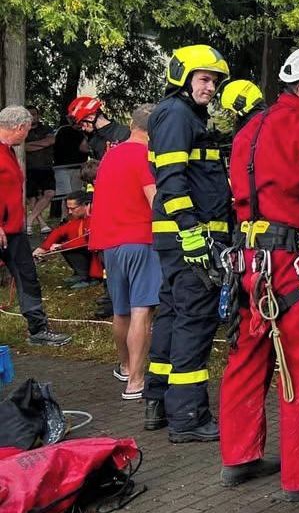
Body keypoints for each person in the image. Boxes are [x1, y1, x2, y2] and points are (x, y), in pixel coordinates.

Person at [220, 46, 299, 501]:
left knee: (248, 358)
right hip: (292, 264)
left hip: (249, 259)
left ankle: (239, 456)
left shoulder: (251, 129)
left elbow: (283, 180)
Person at [144, 44, 232, 443]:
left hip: (176, 238)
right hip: (190, 237)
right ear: (182, 76)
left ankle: (158, 401)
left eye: (214, 81)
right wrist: (191, 230)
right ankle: (189, 417)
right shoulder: (178, 115)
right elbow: (172, 179)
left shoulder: (180, 115)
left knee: (172, 314)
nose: (210, 87)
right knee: (194, 321)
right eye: (203, 78)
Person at [89, 105, 159, 400]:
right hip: (141, 239)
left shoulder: (110, 155)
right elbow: (154, 199)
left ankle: (125, 365)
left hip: (110, 243)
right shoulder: (145, 156)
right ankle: (136, 380)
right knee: (142, 308)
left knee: (121, 310)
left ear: (131, 124)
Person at [0, 106, 72, 346]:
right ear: (19, 128)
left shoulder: (7, 150)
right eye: (28, 130)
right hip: (2, 228)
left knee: (28, 277)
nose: (28, 135)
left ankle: (38, 329)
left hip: (13, 230)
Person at [32, 192, 101, 289]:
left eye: (73, 208)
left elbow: (87, 241)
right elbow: (60, 231)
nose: (69, 212)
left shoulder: (97, 217)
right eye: (68, 208)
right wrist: (42, 248)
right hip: (89, 249)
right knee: (62, 244)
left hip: (99, 255)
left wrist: (62, 246)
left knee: (67, 247)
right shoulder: (80, 218)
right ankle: (81, 273)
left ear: (86, 205)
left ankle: (92, 278)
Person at [68, 96, 131, 160]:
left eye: (82, 124)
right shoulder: (93, 139)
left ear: (90, 118)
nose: (83, 128)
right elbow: (82, 148)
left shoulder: (124, 133)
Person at [24, 108, 55, 235]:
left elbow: (51, 141)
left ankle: (29, 220)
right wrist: (43, 144)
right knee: (32, 198)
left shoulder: (46, 129)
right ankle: (41, 224)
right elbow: (24, 147)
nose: (32, 117)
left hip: (46, 167)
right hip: (29, 168)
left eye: (34, 114)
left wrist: (32, 145)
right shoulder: (23, 129)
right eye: (29, 115)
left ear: (38, 115)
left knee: (50, 193)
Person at [52, 114, 88, 219]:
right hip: (62, 167)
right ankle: (64, 218)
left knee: (75, 194)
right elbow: (84, 148)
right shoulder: (63, 131)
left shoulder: (84, 132)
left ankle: (74, 218)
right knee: (66, 195)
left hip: (77, 167)